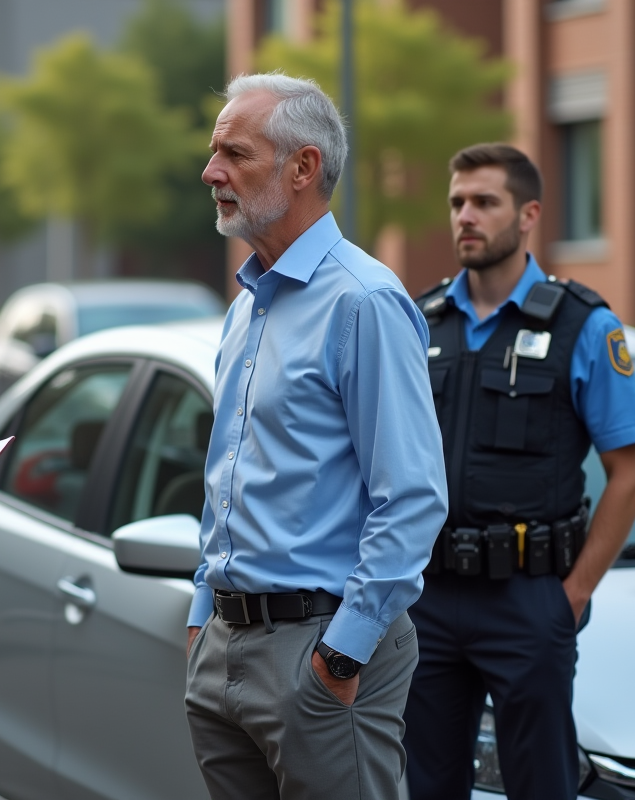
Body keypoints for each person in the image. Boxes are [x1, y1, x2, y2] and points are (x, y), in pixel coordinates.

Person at [184, 73, 449, 800]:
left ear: (303, 167)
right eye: (214, 152)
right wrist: (204, 615)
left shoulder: (364, 301)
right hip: (225, 648)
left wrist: (342, 654)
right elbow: (226, 476)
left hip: (320, 649)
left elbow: (413, 498)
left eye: (234, 153)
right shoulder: (247, 306)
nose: (211, 172)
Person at [403, 144, 635, 800]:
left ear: (529, 215)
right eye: (457, 202)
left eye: (485, 202)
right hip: (427, 599)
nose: (466, 216)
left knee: (542, 786)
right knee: (424, 787)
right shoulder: (420, 321)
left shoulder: (584, 327)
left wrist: (571, 596)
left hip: (528, 598)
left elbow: (631, 477)